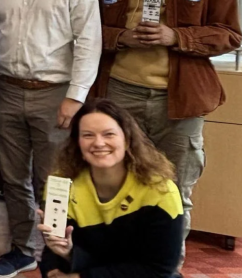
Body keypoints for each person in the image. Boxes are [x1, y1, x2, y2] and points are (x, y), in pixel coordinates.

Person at [89, 0, 242, 254]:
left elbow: (230, 34)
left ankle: (166, 267)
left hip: (180, 101)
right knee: (118, 186)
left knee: (174, 191)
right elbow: (83, 32)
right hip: (120, 94)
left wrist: (178, 37)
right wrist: (119, 37)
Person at [0, 0, 102, 278]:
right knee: (13, 177)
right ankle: (23, 250)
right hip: (5, 89)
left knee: (54, 179)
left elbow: (88, 41)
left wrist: (75, 96)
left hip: (55, 92)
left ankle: (56, 248)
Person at [38, 98, 184, 278]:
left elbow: (159, 269)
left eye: (109, 134)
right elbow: (52, 252)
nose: (99, 143)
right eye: (88, 135)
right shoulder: (61, 184)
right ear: (77, 143)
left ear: (127, 140)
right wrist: (61, 260)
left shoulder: (160, 190)